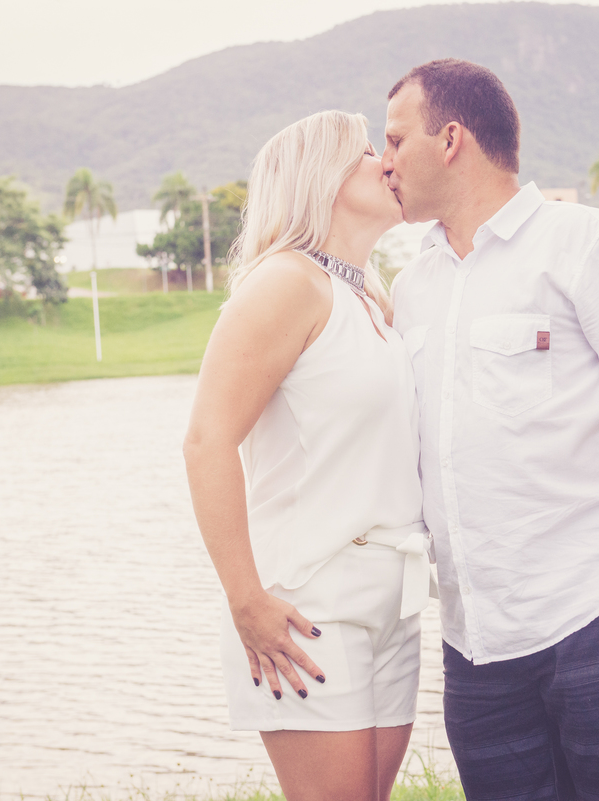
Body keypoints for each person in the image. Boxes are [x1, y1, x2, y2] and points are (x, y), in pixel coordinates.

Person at [384, 59, 599, 801]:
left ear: (451, 140)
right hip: (475, 642)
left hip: (597, 617)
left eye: (396, 140)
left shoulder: (581, 242)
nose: (384, 161)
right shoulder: (411, 285)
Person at [183, 109, 432, 801]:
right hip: (308, 601)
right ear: (321, 177)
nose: (388, 161)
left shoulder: (370, 297)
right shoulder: (284, 283)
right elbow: (206, 441)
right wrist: (245, 600)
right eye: (367, 151)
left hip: (393, 597)